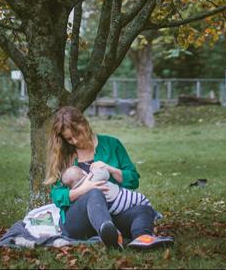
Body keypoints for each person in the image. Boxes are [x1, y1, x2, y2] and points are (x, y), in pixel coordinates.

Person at [45, 106, 171, 250]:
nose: (74, 141)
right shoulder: (64, 155)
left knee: (144, 209)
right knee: (94, 192)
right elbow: (57, 196)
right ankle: (109, 233)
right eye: (68, 139)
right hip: (78, 221)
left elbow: (133, 180)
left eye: (77, 134)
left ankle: (142, 238)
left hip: (114, 215)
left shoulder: (112, 144)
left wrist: (111, 169)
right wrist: (84, 190)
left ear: (84, 124)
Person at [61, 165, 151, 215]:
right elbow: (105, 174)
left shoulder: (78, 195)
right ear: (84, 172)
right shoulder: (93, 176)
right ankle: (153, 215)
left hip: (112, 209)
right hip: (120, 197)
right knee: (141, 199)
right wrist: (97, 169)